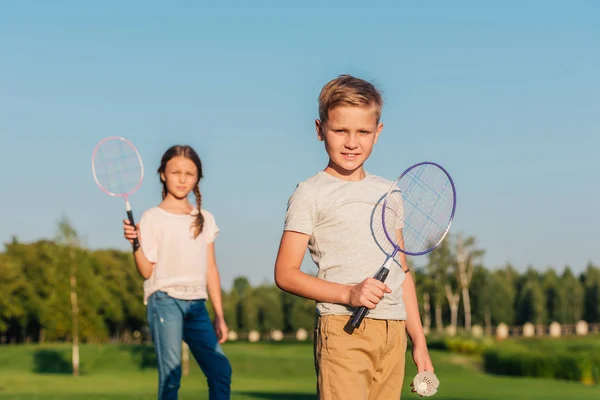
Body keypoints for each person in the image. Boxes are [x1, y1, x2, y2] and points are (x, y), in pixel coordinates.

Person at [274, 74, 433, 399]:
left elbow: (402, 272)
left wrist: (419, 341)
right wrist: (349, 294)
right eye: (340, 130)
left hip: (393, 332)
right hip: (344, 328)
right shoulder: (311, 193)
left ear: (378, 133)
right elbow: (285, 273)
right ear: (320, 130)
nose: (351, 142)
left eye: (362, 132)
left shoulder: (390, 192)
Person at [123, 145, 232, 400]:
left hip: (197, 307)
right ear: (162, 174)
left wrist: (219, 315)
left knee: (221, 371)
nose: (182, 179)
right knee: (171, 378)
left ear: (197, 178)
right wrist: (135, 243)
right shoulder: (152, 217)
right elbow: (146, 270)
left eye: (189, 173)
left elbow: (211, 268)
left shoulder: (205, 218)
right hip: (165, 302)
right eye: (175, 172)